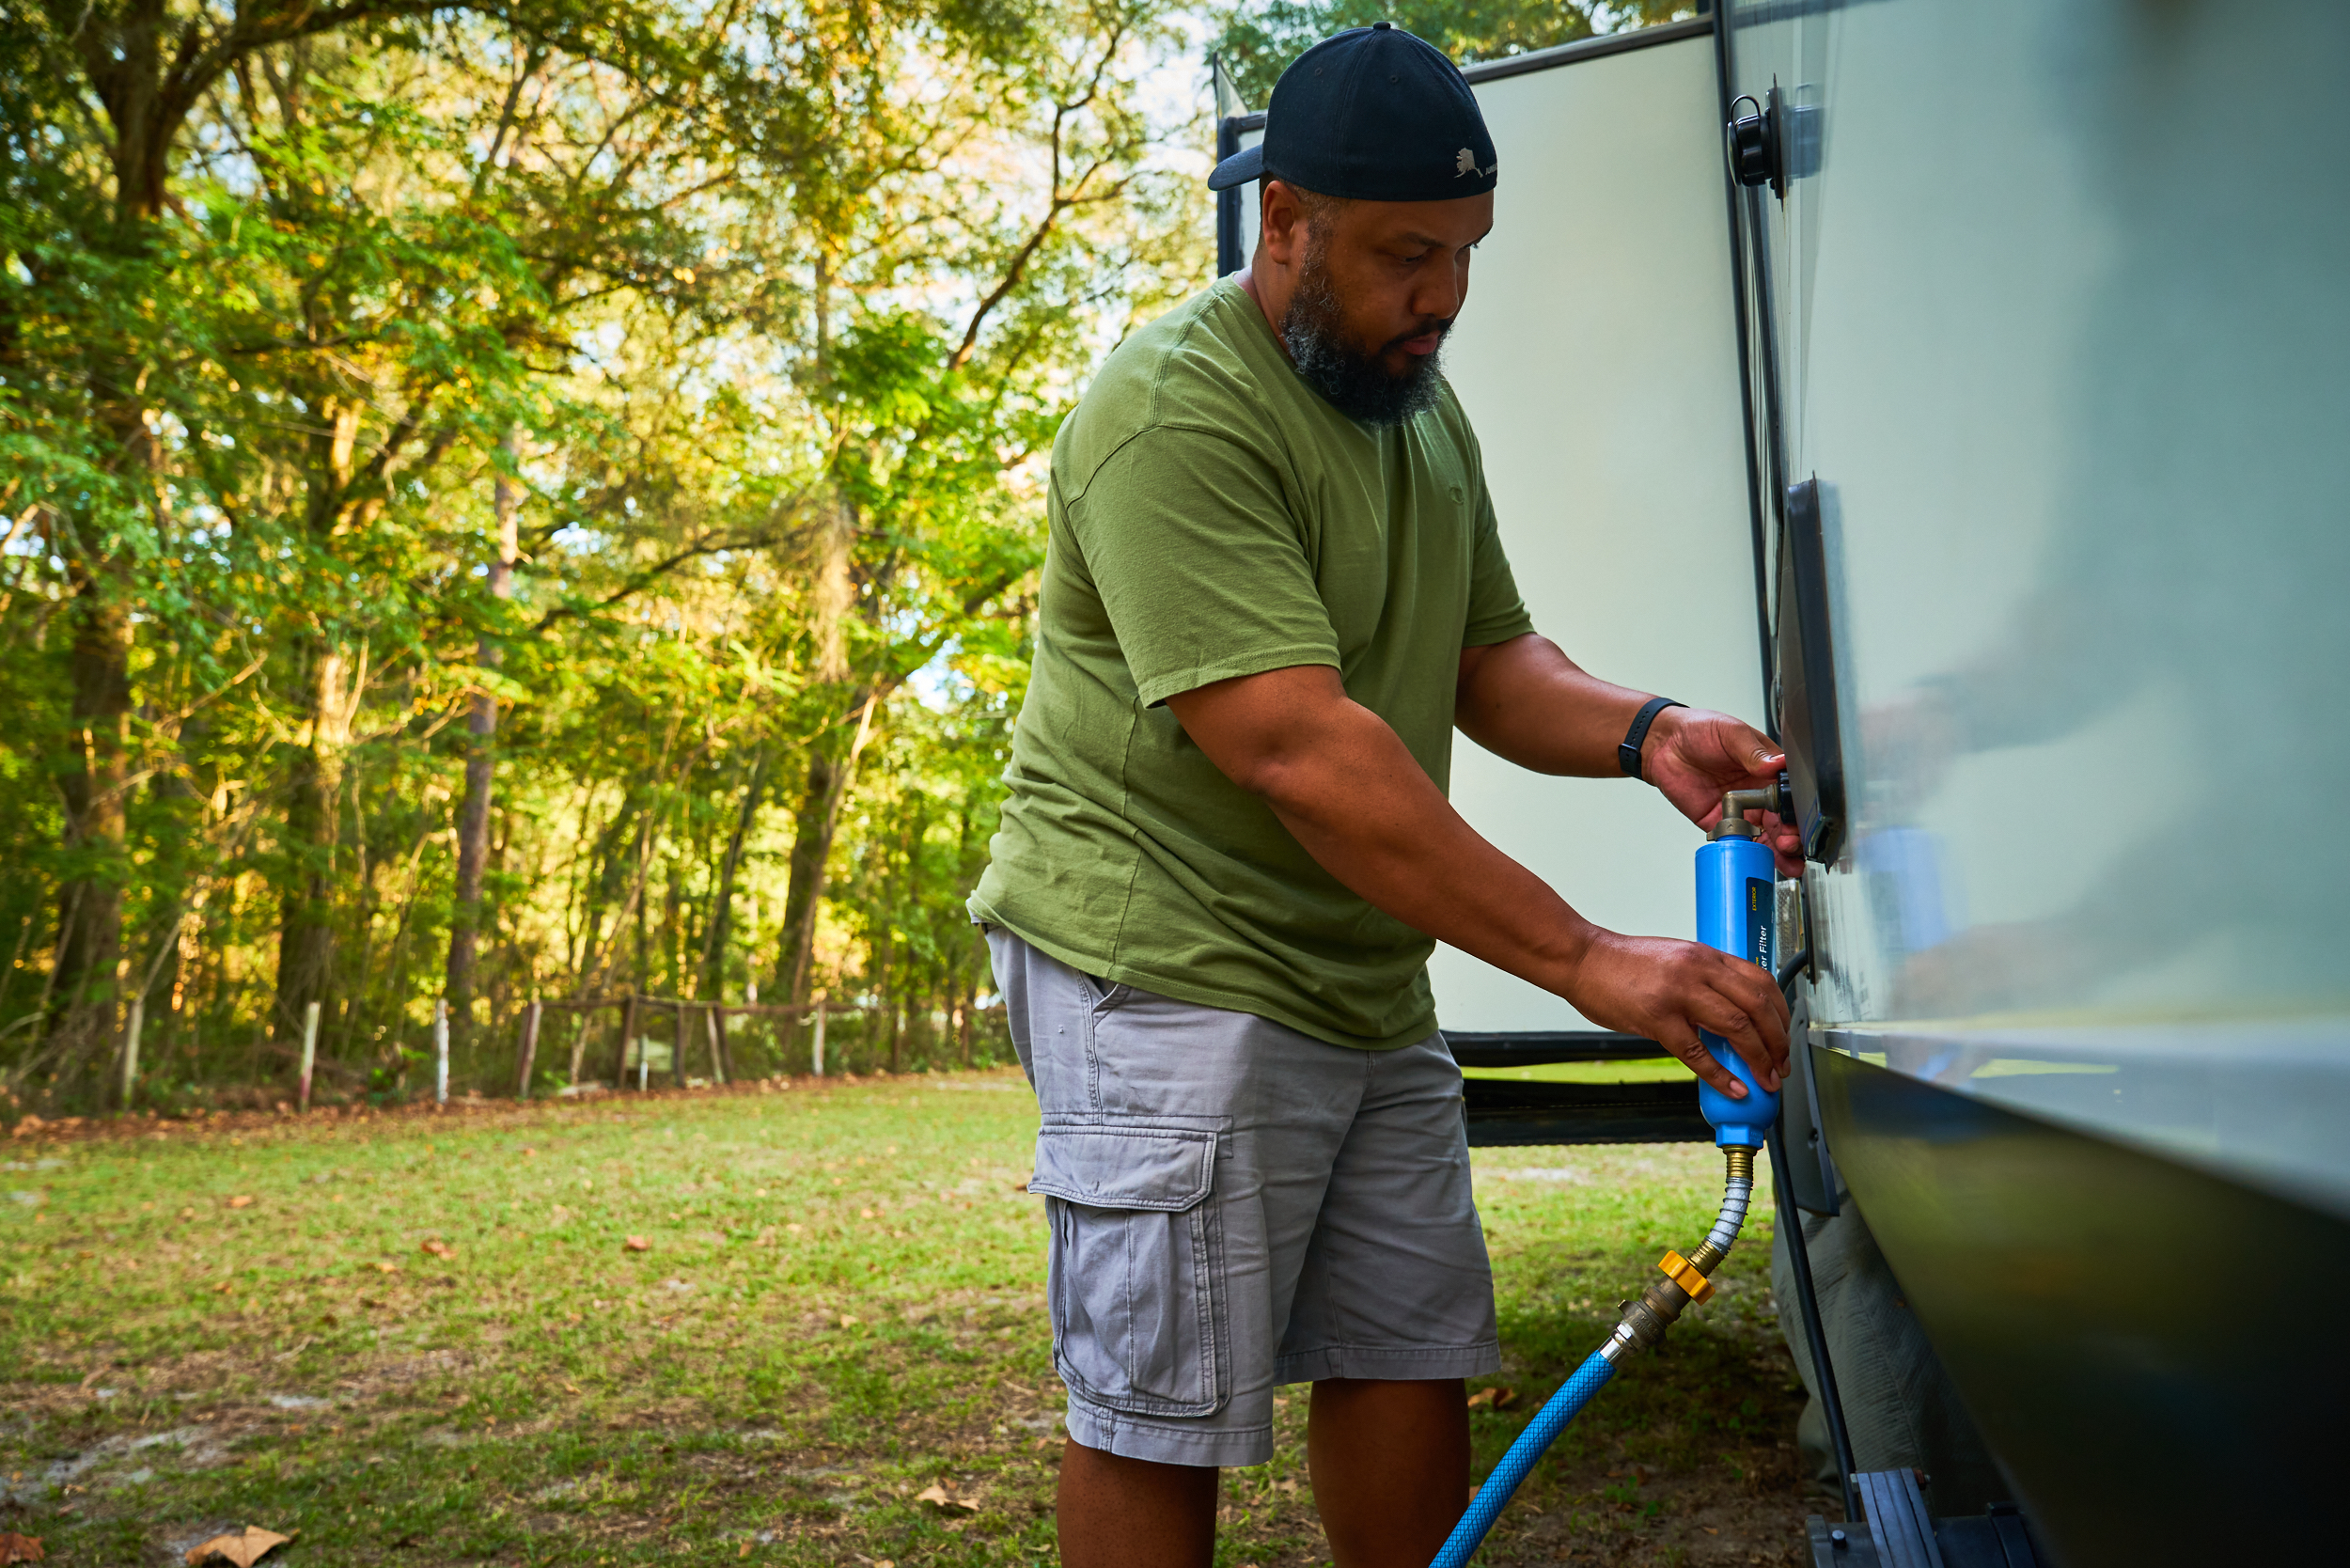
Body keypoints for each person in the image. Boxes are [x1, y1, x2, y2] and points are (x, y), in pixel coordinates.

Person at [967, 24, 1795, 1568]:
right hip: (1165, 964)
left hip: (1358, 973)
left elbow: (1492, 661)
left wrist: (1651, 731)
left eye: (1466, 255)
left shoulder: (1416, 408)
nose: (1443, 300)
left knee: (1409, 1344)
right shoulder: (1175, 415)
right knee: (1163, 1409)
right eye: (1407, 254)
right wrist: (1585, 959)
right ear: (1286, 222)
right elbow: (1298, 744)